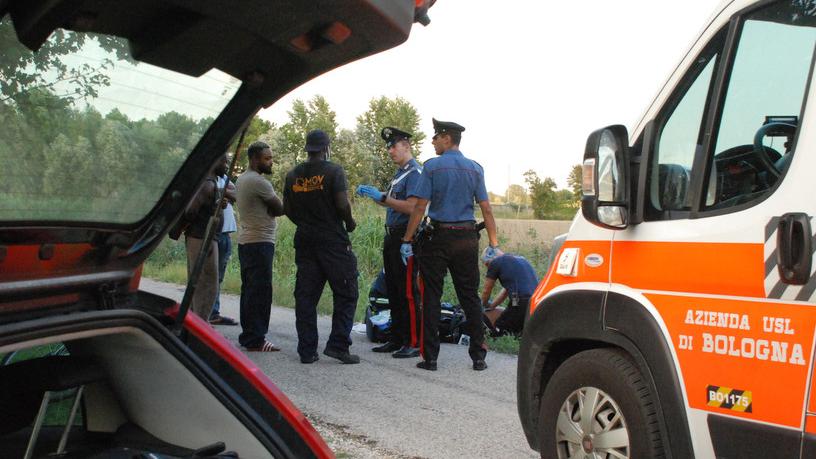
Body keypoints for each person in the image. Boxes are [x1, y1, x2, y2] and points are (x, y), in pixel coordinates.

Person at [400, 118, 499, 371]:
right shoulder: (475, 168)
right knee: (470, 297)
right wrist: (494, 243)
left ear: (446, 138)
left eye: (435, 137)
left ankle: (430, 359)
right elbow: (486, 208)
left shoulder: (432, 167)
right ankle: (478, 357)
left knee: (432, 296)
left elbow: (420, 206)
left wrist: (407, 239)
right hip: (467, 238)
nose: (432, 142)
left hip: (439, 238)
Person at [284, 129, 360, 364]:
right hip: (332, 240)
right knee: (347, 291)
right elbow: (341, 202)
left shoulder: (292, 174)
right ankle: (338, 345)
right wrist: (349, 222)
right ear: (326, 148)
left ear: (308, 148)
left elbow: (288, 208)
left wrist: (306, 224)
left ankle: (307, 350)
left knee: (306, 296)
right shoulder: (333, 171)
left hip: (305, 240)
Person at [356, 127, 422, 358]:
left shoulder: (415, 173)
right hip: (392, 234)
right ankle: (396, 338)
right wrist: (376, 196)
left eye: (394, 146)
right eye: (388, 147)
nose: (390, 151)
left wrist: (383, 197)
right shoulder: (400, 173)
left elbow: (413, 207)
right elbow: (393, 202)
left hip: (406, 235)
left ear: (407, 145)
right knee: (393, 289)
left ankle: (412, 341)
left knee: (407, 291)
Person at [235, 141, 284, 352]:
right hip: (259, 241)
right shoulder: (258, 182)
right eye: (267, 158)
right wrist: (273, 209)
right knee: (260, 292)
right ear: (255, 159)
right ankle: (256, 338)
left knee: (250, 290)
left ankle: (249, 335)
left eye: (271, 157)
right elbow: (280, 208)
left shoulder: (242, 179)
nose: (271, 162)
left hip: (247, 241)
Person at [183, 160, 224, 320]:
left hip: (205, 238)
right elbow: (190, 211)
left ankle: (196, 323)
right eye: (224, 161)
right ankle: (200, 325)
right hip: (202, 238)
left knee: (205, 283)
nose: (226, 165)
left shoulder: (210, 183)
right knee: (205, 285)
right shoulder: (207, 185)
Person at [479, 248, 537, 336]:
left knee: (500, 327)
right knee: (517, 327)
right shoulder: (521, 259)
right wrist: (491, 306)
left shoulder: (496, 262)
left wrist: (481, 306)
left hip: (519, 298)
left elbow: (486, 291)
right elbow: (505, 292)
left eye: (487, 264)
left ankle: (498, 341)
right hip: (536, 300)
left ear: (491, 258)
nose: (488, 267)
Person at [210, 153, 239, 326]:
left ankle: (213, 311)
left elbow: (235, 194)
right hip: (213, 234)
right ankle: (204, 312)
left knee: (218, 276)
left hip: (226, 233)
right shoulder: (208, 180)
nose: (227, 165)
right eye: (224, 161)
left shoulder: (223, 179)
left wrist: (219, 192)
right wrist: (222, 193)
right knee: (209, 276)